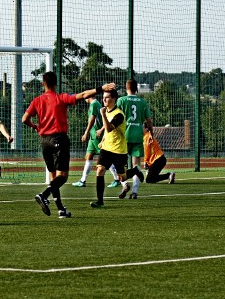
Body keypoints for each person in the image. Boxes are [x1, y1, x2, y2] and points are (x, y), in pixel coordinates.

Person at [22, 72, 114, 218]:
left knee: (54, 177)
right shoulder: (61, 98)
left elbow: (24, 119)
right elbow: (83, 95)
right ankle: (44, 195)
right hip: (59, 138)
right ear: (56, 83)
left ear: (42, 84)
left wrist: (36, 127)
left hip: (44, 141)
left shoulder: (37, 100)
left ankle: (61, 210)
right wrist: (100, 88)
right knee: (62, 177)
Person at [90, 88, 144, 208]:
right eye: (103, 97)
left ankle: (136, 170)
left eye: (107, 97)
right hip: (106, 148)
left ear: (114, 99)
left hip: (119, 150)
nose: (104, 99)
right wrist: (103, 140)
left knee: (122, 177)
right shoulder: (107, 111)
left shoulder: (119, 114)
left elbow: (109, 128)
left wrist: (103, 114)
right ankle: (100, 201)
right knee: (100, 170)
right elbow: (107, 131)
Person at [116, 79, 154, 199]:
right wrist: (151, 133)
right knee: (136, 164)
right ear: (136, 89)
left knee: (119, 165)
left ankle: (125, 184)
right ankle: (134, 192)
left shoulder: (121, 100)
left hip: (124, 136)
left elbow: (115, 117)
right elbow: (148, 121)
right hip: (138, 135)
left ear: (126, 88)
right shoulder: (142, 102)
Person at [71, 96, 103, 187]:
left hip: (96, 135)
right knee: (88, 156)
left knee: (105, 158)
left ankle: (119, 179)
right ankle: (83, 180)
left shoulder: (94, 104)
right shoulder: (95, 104)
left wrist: (86, 132)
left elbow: (92, 119)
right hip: (93, 135)